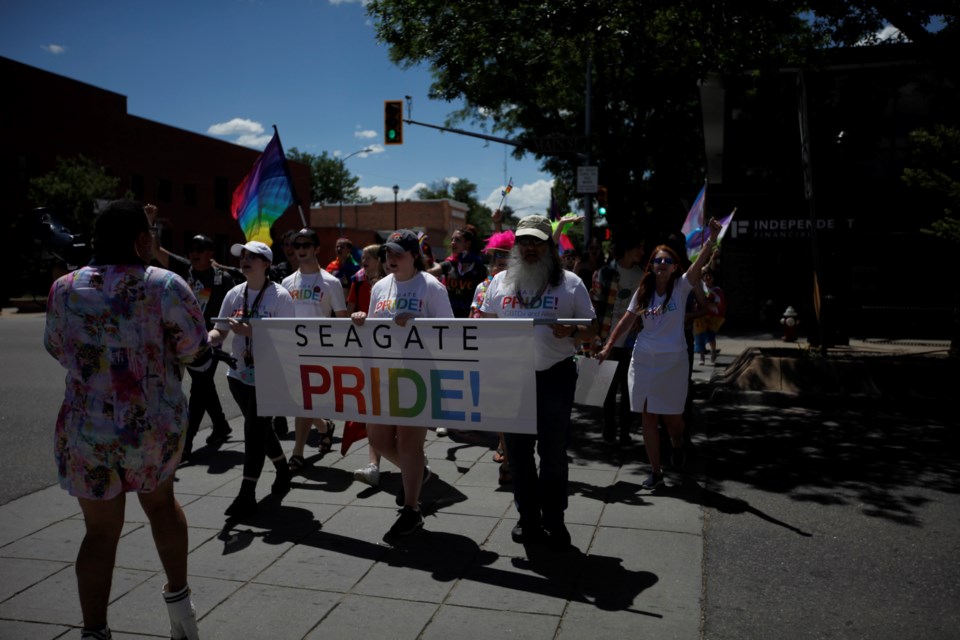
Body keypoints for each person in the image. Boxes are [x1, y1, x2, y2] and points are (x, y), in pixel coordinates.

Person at [44, 199, 205, 640]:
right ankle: (181, 614)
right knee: (161, 508)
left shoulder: (65, 288)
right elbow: (194, 348)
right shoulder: (166, 285)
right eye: (151, 232)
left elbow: (57, 347)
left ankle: (94, 631)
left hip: (87, 430)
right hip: (150, 428)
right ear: (141, 238)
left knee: (98, 532)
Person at [480, 215, 597, 551]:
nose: (530, 248)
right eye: (524, 242)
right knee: (517, 454)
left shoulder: (570, 283)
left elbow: (592, 328)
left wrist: (573, 331)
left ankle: (555, 518)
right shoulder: (499, 283)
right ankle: (528, 517)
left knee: (553, 452)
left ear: (550, 247)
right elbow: (485, 328)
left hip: (555, 376)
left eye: (537, 242)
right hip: (511, 378)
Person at [597, 218, 721, 490]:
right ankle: (656, 471)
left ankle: (677, 441)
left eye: (667, 261)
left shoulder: (682, 286)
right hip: (642, 361)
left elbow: (700, 262)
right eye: (657, 261)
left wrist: (711, 238)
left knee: (672, 419)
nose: (661, 264)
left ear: (676, 267)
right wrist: (608, 346)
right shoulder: (643, 291)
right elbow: (626, 320)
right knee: (647, 416)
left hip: (672, 363)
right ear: (651, 266)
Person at [350, 229, 453, 537]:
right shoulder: (380, 287)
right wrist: (360, 319)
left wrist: (417, 323)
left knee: (409, 444)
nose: (391, 259)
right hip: (383, 374)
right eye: (388, 254)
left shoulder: (431, 286)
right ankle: (419, 472)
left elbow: (448, 330)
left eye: (398, 254)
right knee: (378, 440)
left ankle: (412, 509)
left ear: (413, 256)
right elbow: (373, 330)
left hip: (417, 374)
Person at [208, 240, 296, 518]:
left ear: (266, 264)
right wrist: (205, 341)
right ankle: (283, 469)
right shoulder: (234, 294)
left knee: (253, 431)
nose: (245, 260)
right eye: (243, 256)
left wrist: (251, 332)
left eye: (253, 257)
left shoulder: (280, 296)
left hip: (270, 375)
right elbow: (220, 331)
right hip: (237, 374)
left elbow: (287, 337)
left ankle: (247, 494)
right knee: (259, 428)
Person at [146, 214, 237, 457]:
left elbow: (235, 304)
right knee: (204, 387)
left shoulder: (222, 278)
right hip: (179, 339)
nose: (193, 253)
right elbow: (156, 250)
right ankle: (221, 425)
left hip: (207, 341)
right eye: (191, 248)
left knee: (199, 389)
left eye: (199, 249)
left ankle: (186, 444)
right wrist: (151, 223)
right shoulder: (183, 268)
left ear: (210, 252)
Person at [280, 228, 348, 472]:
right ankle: (323, 426)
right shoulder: (287, 282)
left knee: (303, 401)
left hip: (318, 351)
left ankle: (297, 453)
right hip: (291, 351)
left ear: (317, 249)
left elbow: (341, 318)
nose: (300, 249)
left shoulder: (331, 282)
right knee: (297, 401)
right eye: (296, 244)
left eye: (306, 244)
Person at [469, 229, 515, 485]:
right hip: (489, 354)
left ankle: (509, 460)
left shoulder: (521, 286)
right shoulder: (483, 287)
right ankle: (503, 442)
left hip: (515, 357)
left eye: (507, 261)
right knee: (498, 409)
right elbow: (473, 317)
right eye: (498, 261)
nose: (502, 266)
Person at [590, 236, 645, 445]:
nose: (642, 252)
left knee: (629, 387)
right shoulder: (604, 273)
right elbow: (594, 306)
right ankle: (609, 430)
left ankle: (625, 432)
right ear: (627, 249)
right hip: (608, 337)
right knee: (608, 388)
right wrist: (596, 336)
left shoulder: (642, 275)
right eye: (638, 247)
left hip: (632, 340)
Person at [348, 244, 387, 487]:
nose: (363, 262)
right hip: (369, 354)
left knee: (403, 414)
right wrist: (357, 317)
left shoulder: (393, 283)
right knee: (374, 411)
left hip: (397, 357)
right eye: (362, 258)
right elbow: (349, 315)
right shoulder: (359, 282)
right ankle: (373, 466)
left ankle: (415, 458)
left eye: (368, 258)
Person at [428, 224, 487, 319]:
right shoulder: (449, 264)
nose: (452, 243)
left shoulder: (479, 268)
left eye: (457, 240)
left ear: (467, 243)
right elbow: (428, 273)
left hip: (470, 319)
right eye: (452, 239)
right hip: (449, 318)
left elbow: (483, 294)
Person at [693, 266, 726, 365]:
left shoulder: (717, 291)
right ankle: (702, 357)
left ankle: (713, 353)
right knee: (700, 336)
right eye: (705, 276)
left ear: (713, 278)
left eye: (709, 276)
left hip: (713, 318)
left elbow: (719, 303)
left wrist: (708, 302)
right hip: (701, 316)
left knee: (711, 336)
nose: (707, 278)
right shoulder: (700, 289)